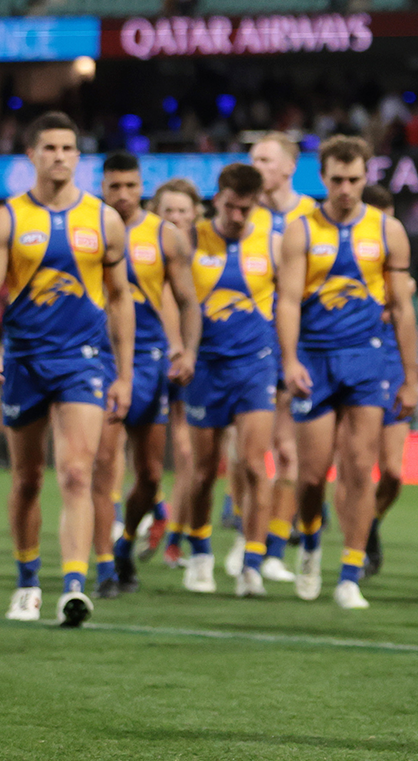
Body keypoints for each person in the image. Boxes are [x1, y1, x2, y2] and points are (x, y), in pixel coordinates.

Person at [0, 112, 134, 627]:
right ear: (32, 156)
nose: (59, 156)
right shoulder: (9, 220)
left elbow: (122, 298)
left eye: (68, 148)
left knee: (78, 472)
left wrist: (124, 374)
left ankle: (74, 587)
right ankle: (26, 582)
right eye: (50, 148)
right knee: (26, 480)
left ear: (78, 157)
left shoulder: (104, 220)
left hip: (82, 359)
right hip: (23, 360)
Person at [276, 135, 418, 609]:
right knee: (312, 477)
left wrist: (412, 377)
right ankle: (313, 542)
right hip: (315, 359)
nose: (345, 188)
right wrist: (290, 359)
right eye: (336, 180)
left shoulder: (387, 230)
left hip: (367, 358)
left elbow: (401, 308)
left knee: (361, 469)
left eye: (354, 179)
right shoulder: (301, 231)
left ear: (366, 176)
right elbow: (288, 302)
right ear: (323, 178)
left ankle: (350, 573)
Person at [94, 153, 198, 598]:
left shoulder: (164, 237)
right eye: (114, 186)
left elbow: (188, 301)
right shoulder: (87, 227)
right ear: (103, 186)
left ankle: (126, 542)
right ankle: (100, 567)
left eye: (130, 186)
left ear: (143, 189)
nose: (122, 194)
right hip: (97, 358)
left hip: (150, 362)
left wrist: (187, 351)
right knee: (100, 468)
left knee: (152, 475)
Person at [177, 163, 280, 597]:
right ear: (216, 198)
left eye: (247, 208)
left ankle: (252, 562)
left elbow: (293, 300)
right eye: (231, 207)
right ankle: (200, 552)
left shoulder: (273, 241)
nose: (238, 216)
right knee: (203, 472)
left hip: (256, 366)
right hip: (205, 367)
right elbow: (173, 299)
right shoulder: (190, 240)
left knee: (256, 466)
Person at [252, 132, 319, 581]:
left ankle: (274, 545)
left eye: (264, 158)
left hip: (300, 345)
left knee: (291, 455)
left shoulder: (313, 218)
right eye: (253, 158)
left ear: (289, 167)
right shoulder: (244, 216)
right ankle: (249, 535)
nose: (255, 165)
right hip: (251, 346)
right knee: (250, 454)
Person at [145, 178, 204, 569]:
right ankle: (149, 513)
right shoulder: (148, 251)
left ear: (196, 214)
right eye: (169, 211)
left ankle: (175, 536)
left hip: (197, 361)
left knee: (189, 454)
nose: (177, 217)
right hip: (154, 357)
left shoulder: (210, 252)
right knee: (141, 458)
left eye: (184, 210)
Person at [356, 182, 408, 577]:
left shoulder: (401, 277)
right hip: (361, 367)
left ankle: (370, 519)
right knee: (358, 464)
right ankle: (357, 542)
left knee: (392, 472)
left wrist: (414, 374)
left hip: (392, 367)